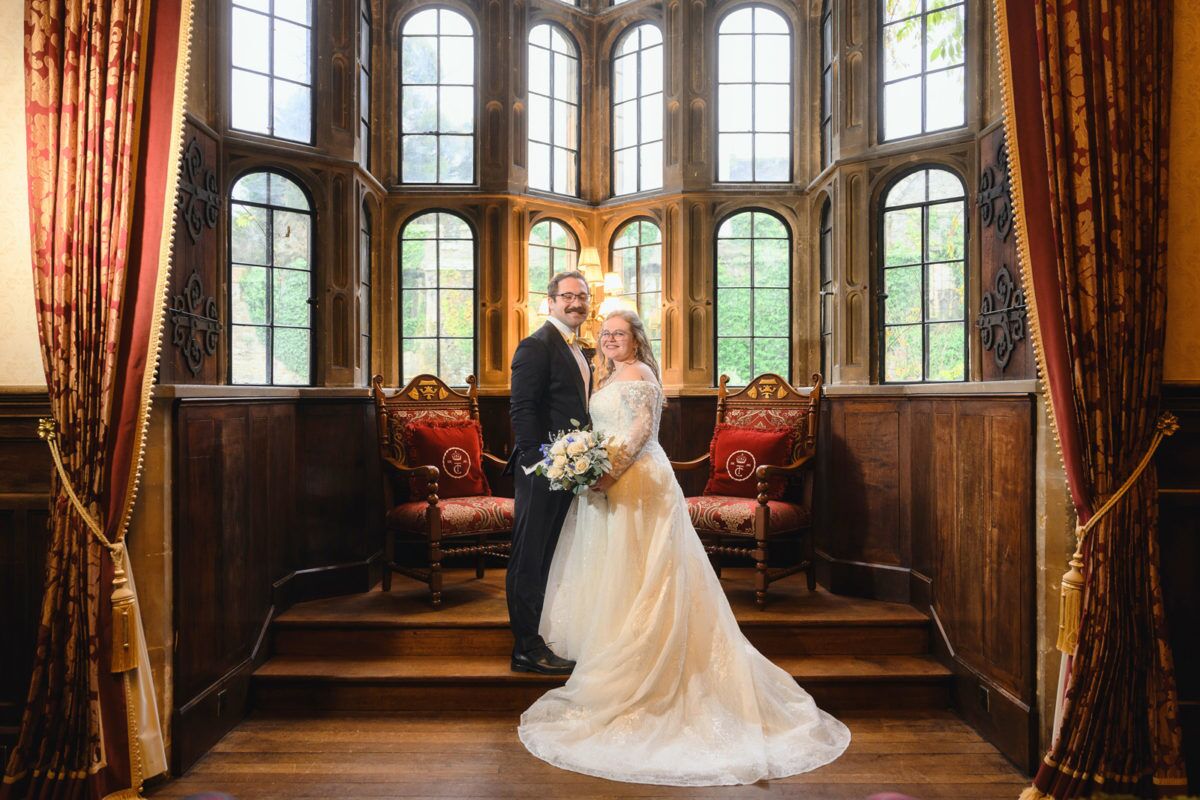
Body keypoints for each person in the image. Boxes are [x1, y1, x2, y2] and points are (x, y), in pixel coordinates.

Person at [517, 309, 851, 786]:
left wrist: (605, 470)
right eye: (605, 333)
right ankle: (614, 660)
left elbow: (636, 434)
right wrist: (586, 466)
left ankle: (654, 671)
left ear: (636, 339)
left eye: (620, 333)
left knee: (650, 575)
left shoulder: (641, 373)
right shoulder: (604, 374)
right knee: (619, 576)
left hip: (637, 482)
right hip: (605, 483)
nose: (610, 339)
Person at [505, 271, 593, 676]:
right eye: (568, 296)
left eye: (582, 297)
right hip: (542, 470)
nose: (576, 303)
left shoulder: (580, 348)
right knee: (530, 557)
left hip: (570, 470)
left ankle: (545, 634)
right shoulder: (535, 346)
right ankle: (525, 647)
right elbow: (522, 409)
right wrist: (537, 464)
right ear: (551, 301)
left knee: (553, 555)